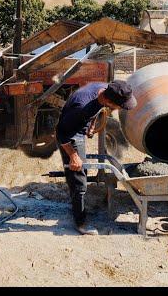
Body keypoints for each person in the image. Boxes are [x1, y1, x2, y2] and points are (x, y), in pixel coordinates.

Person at [56, 80, 137, 235]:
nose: (121, 109)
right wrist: (73, 156)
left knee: (79, 174)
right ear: (108, 100)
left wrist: (91, 124)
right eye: (121, 106)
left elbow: (99, 106)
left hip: (79, 124)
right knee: (79, 177)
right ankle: (80, 223)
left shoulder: (106, 89)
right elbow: (61, 132)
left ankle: (76, 205)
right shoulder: (82, 106)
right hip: (71, 134)